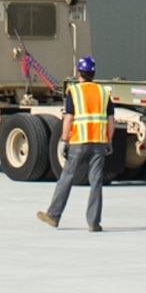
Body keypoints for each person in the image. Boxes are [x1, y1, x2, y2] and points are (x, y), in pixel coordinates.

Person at [37, 56, 111, 232]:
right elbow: (111, 119)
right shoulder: (103, 92)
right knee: (96, 181)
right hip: (98, 142)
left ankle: (54, 216)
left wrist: (64, 140)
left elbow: (68, 118)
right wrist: (109, 140)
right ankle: (94, 223)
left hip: (79, 142)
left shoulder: (74, 92)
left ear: (79, 73)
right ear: (93, 73)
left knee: (67, 177)